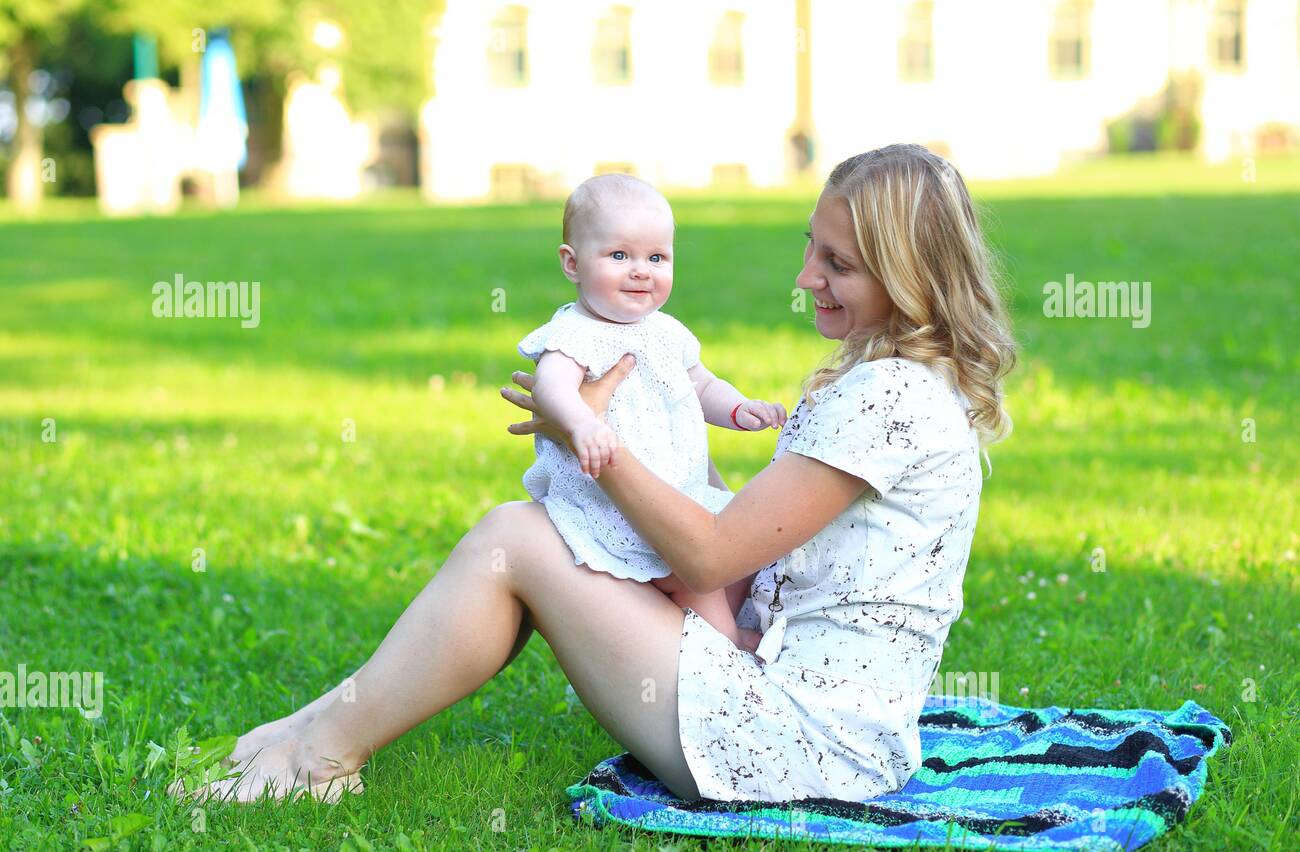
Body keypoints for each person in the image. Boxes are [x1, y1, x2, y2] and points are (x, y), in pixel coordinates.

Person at [171, 143, 1016, 805]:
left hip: (807, 746)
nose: (805, 279)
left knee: (516, 538)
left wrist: (596, 445)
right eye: (812, 250)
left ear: (908, 274)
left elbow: (713, 555)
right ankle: (310, 735)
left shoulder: (888, 400)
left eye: (837, 264)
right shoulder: (893, 380)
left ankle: (321, 756)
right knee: (532, 535)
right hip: (801, 699)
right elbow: (744, 524)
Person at [518, 172, 785, 650]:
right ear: (572, 263)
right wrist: (581, 423)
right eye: (619, 255)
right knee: (702, 610)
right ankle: (734, 657)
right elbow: (551, 388)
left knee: (727, 568)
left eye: (656, 257)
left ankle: (731, 644)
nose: (641, 270)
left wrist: (738, 408)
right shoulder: (576, 334)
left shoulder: (664, 331)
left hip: (674, 501)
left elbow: (700, 383)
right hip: (611, 509)